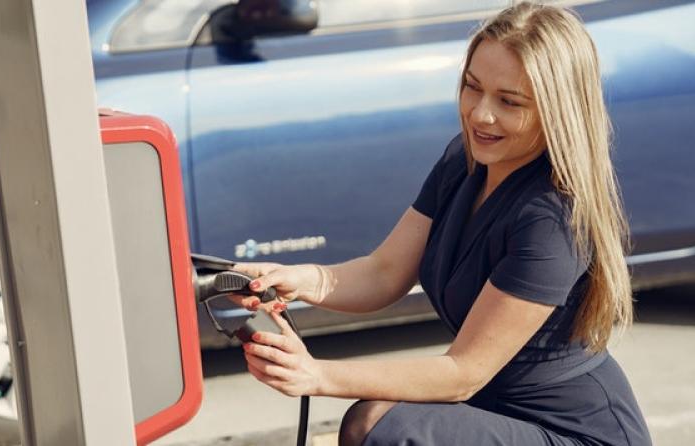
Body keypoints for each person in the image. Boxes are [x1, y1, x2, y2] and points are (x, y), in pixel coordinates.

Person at [231, 2, 652, 445]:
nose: (480, 114)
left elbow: (462, 374)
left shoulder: (552, 218)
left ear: (557, 110)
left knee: (383, 426)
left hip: (573, 432)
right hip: (493, 407)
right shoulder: (465, 160)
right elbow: (385, 272)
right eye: (473, 87)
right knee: (374, 422)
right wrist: (301, 279)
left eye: (509, 101)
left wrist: (316, 375)